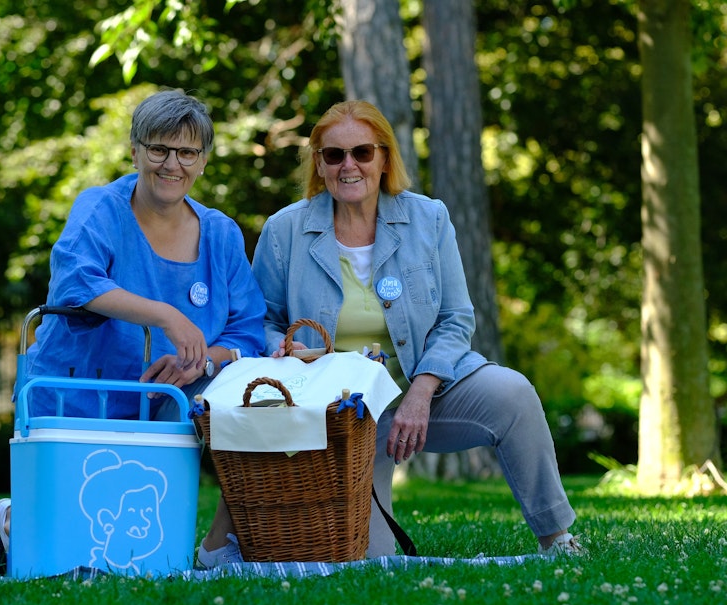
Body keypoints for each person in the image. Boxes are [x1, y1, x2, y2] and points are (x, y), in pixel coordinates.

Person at [247, 99, 584, 559]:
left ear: (384, 158)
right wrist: (281, 349)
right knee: (368, 559)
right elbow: (260, 321)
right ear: (319, 165)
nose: (349, 166)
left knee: (513, 392)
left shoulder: (429, 218)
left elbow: (456, 318)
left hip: (424, 394)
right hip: (340, 415)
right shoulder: (284, 231)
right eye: (334, 155)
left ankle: (556, 537)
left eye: (362, 153)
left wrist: (422, 392)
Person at [0, 89, 266, 568]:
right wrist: (167, 315)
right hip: (78, 395)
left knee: (244, 398)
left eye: (187, 152)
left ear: (202, 161)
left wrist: (200, 360)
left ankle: (219, 548)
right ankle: (17, 518)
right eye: (158, 149)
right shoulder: (100, 208)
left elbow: (247, 331)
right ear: (135, 150)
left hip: (169, 397)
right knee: (75, 528)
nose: (171, 164)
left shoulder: (221, 234)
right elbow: (77, 283)